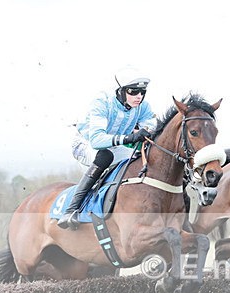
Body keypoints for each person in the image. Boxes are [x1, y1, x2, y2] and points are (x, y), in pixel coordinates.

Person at [58, 66, 157, 229]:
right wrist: (129, 137)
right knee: (105, 156)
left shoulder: (143, 106)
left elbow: (151, 129)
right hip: (86, 144)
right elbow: (97, 140)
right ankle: (71, 210)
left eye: (142, 92)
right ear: (121, 91)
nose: (139, 96)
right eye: (133, 92)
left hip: (115, 146)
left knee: (139, 158)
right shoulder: (102, 102)